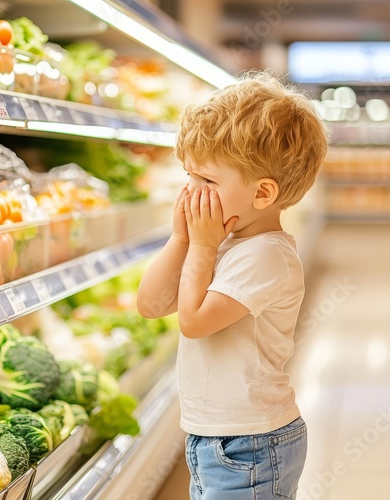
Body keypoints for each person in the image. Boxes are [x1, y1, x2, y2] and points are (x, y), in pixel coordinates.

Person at [137, 72, 328, 499]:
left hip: (251, 446)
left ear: (262, 194)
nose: (190, 192)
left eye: (206, 181)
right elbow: (152, 304)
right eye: (188, 176)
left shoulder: (266, 256)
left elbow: (195, 321)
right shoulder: (224, 241)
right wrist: (182, 239)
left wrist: (202, 246)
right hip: (216, 438)